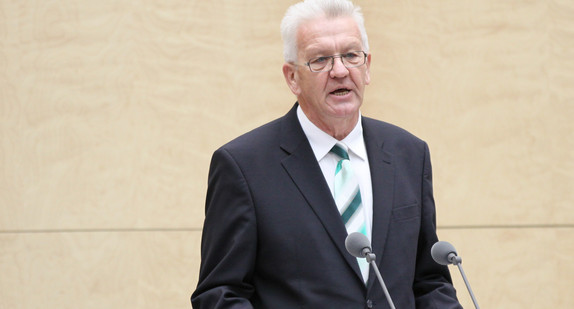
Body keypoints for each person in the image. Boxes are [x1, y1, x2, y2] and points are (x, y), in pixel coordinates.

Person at [191, 0, 463, 308]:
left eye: (351, 55)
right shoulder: (243, 167)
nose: (340, 71)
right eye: (320, 60)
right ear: (292, 77)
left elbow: (429, 281)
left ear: (368, 66)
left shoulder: (408, 154)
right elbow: (220, 294)